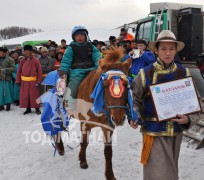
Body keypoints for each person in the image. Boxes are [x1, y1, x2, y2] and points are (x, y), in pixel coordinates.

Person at [130, 30, 201, 180]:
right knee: (162, 174)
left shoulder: (184, 72)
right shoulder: (145, 74)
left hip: (176, 133)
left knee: (169, 170)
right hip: (153, 132)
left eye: (171, 49)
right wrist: (134, 115)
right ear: (156, 50)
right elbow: (134, 100)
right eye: (163, 49)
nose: (168, 53)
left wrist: (188, 119)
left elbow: (197, 104)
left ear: (176, 50)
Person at [59, 25, 101, 110]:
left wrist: (101, 67)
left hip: (92, 70)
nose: (79, 37)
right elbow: (66, 61)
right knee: (73, 86)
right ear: (74, 37)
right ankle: (68, 102)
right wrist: (64, 71)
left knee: (102, 82)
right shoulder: (71, 48)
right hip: (77, 71)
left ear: (85, 36)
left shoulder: (91, 47)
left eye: (81, 35)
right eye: (77, 36)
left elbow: (97, 58)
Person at [16, 45, 42, 115]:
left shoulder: (36, 61)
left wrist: (39, 81)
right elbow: (19, 71)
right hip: (24, 82)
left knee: (34, 95)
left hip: (33, 81)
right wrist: (18, 80)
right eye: (25, 51)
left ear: (31, 52)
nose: (26, 52)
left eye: (27, 51)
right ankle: (28, 109)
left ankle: (37, 108)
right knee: (25, 96)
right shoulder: (22, 61)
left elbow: (39, 71)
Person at [0, 47, 15, 111]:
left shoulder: (10, 59)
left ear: (5, 53)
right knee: (0, 93)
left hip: (7, 79)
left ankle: (8, 105)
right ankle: (1, 105)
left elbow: (13, 68)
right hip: (0, 78)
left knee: (7, 92)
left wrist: (5, 70)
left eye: (0, 52)